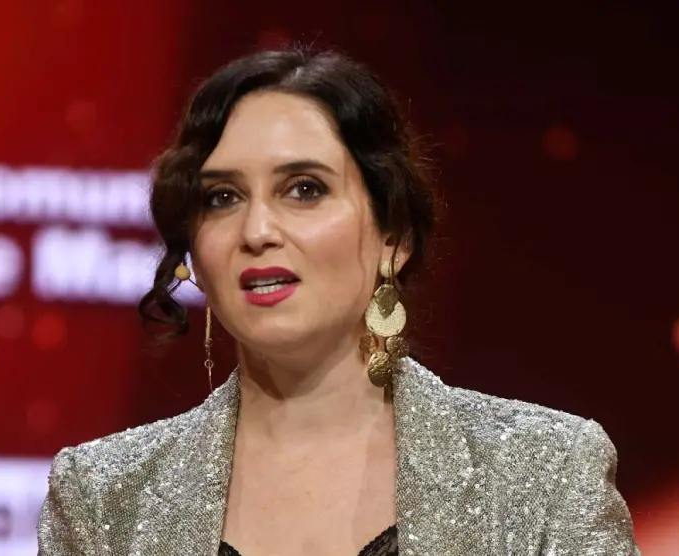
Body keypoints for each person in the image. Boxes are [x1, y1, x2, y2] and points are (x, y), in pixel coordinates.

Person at [37, 47, 640, 556]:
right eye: (222, 197)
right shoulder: (101, 500)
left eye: (304, 189)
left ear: (393, 236)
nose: (257, 231)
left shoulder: (546, 475)